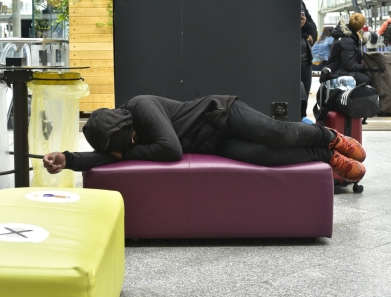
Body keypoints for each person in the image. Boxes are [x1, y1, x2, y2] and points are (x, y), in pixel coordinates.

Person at [43, 94, 366, 183]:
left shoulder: (140, 106)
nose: (128, 146)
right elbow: (112, 155)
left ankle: (328, 136)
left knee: (276, 134)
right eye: (121, 147)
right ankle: (326, 157)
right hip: (212, 143)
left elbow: (170, 150)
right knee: (267, 157)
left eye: (126, 140)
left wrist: (124, 153)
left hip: (221, 113)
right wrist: (69, 159)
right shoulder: (122, 142)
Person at [326, 13, 371, 86]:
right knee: (367, 79)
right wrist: (367, 67)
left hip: (336, 68)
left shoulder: (345, 35)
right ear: (361, 27)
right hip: (338, 71)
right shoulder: (347, 41)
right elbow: (349, 66)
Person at [301, 11, 313, 103]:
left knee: (304, 96)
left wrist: (305, 24)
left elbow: (313, 28)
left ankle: (302, 115)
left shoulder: (301, 4)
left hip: (305, 60)